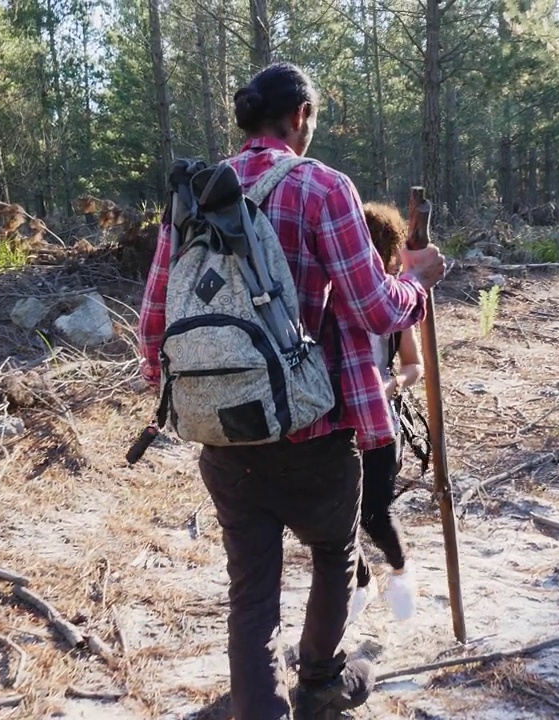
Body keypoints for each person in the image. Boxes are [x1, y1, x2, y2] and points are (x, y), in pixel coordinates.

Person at [137, 62, 447, 720]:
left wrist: (179, 391)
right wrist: (419, 281)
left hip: (222, 431)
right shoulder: (322, 187)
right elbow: (373, 308)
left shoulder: (194, 193)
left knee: (252, 591)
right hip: (315, 426)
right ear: (300, 117)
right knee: (333, 555)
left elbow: (154, 319)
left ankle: (262, 709)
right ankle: (319, 687)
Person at [348, 203, 424, 626]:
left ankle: (399, 570)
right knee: (335, 516)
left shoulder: (393, 298)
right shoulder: (328, 292)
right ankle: (360, 581)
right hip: (335, 423)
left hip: (379, 420)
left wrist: (391, 386)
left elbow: (415, 365)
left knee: (375, 512)